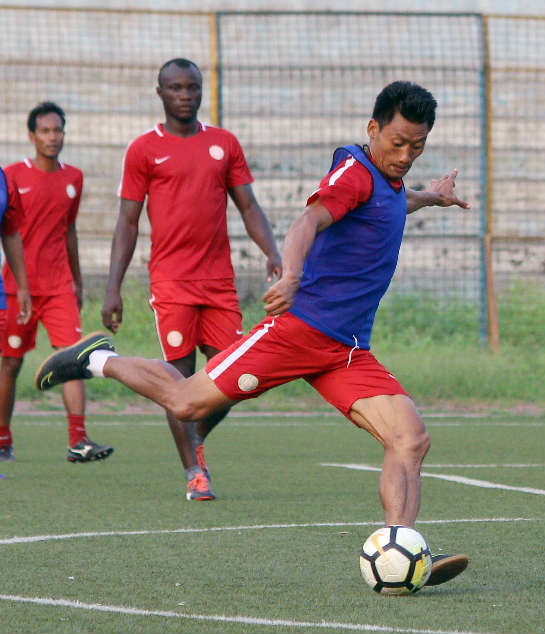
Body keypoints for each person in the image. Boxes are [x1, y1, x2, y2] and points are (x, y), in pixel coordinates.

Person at [37, 80, 471, 586]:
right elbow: (308, 220)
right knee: (185, 403)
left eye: (416, 146)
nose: (405, 155)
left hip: (347, 351)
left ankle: (402, 548)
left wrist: (431, 197)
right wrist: (290, 274)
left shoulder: (388, 183)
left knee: (410, 438)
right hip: (299, 332)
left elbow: (390, 203)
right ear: (372, 128)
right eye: (397, 142)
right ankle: (96, 358)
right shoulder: (354, 172)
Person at [102, 58, 282, 499]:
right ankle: (194, 471)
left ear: (202, 91)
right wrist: (113, 288)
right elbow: (128, 222)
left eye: (193, 88)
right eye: (176, 88)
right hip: (172, 282)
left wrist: (275, 254)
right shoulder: (144, 149)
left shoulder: (224, 144)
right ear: (160, 93)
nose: (186, 95)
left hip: (219, 281)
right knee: (179, 381)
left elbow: (249, 207)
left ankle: (194, 430)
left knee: (238, 377)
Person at [1, 103, 104, 463]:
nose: (52, 137)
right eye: (45, 131)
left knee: (73, 360)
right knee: (10, 363)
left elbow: (69, 231)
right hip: (18, 288)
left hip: (59, 286)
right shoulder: (11, 175)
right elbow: (8, 231)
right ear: (32, 136)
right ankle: (2, 439)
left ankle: (79, 440)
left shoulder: (73, 178)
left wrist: (77, 281)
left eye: (57, 130)